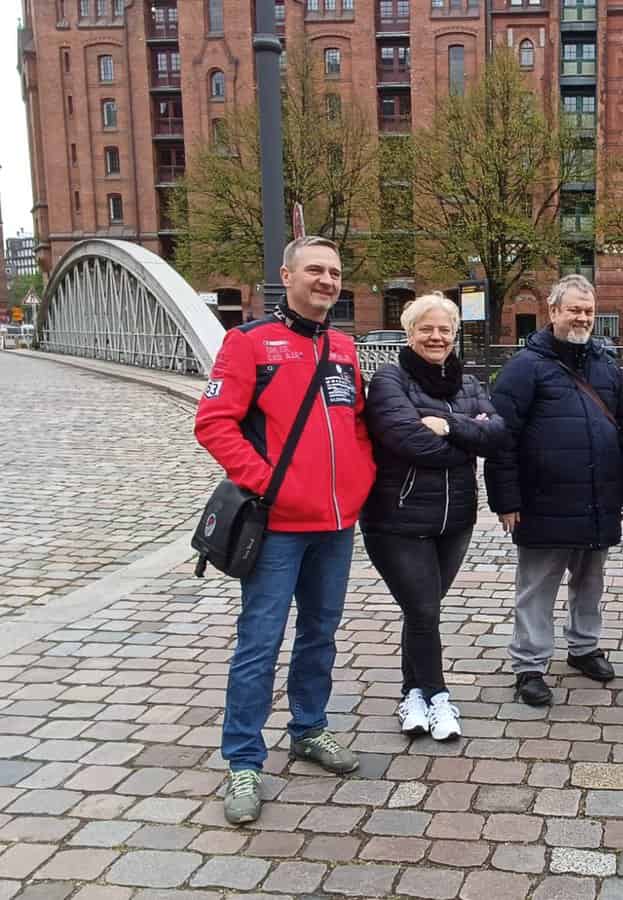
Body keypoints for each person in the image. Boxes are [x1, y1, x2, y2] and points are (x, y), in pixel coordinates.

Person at [194, 236, 376, 825]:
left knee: (320, 634)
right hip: (277, 526)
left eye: (334, 272)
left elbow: (357, 424)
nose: (326, 280)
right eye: (315, 270)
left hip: (335, 524)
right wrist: (263, 482)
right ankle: (244, 760)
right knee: (259, 642)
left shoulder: (345, 348)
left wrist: (360, 480)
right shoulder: (249, 342)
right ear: (287, 275)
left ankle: (309, 728)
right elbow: (214, 421)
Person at [485, 274, 623, 707]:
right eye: (574, 309)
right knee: (537, 586)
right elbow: (502, 438)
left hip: (597, 497)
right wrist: (506, 499)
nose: (582, 317)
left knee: (590, 581)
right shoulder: (524, 367)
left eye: (588, 310)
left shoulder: (607, 365)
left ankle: (584, 647)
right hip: (543, 501)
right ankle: (530, 665)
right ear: (553, 312)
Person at [360, 292, 507, 742]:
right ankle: (439, 696)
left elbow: (498, 433)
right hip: (398, 520)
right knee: (423, 609)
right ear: (409, 333)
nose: (436, 336)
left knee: (421, 611)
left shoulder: (469, 383)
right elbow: (408, 440)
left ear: (455, 334)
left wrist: (448, 426)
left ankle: (412, 696)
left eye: (445, 329)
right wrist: (467, 439)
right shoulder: (389, 380)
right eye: (426, 328)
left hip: (454, 519)